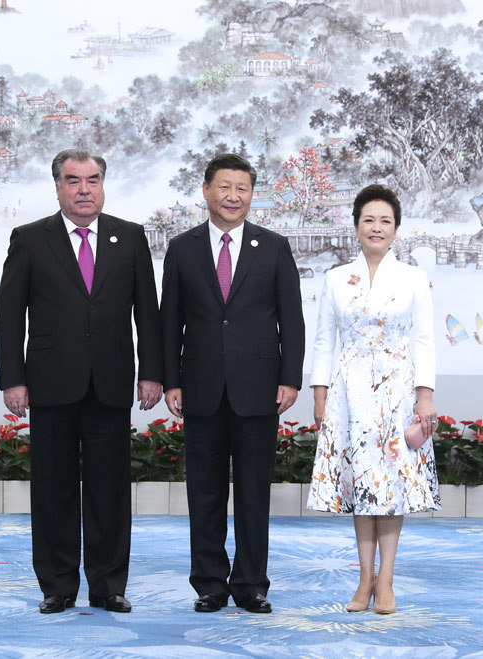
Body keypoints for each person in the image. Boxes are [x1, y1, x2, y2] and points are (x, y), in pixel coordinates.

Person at [0, 149, 162, 615]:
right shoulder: (30, 239)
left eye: (93, 180)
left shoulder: (128, 237)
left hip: (110, 382)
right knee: (53, 488)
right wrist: (14, 378)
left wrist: (151, 371)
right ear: (58, 188)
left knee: (109, 489)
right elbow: (9, 315)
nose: (84, 189)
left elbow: (147, 311)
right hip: (50, 382)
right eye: (73, 181)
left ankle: (108, 585)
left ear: (104, 186)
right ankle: (57, 585)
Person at [161, 153, 305, 614]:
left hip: (259, 389)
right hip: (199, 386)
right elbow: (170, 323)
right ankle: (209, 583)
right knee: (204, 492)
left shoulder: (275, 246)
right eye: (224, 187)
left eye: (242, 188)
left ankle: (250, 584)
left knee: (253, 493)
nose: (233, 196)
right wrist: (170, 380)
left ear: (251, 195)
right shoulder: (182, 249)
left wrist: (290, 378)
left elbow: (292, 321)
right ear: (206, 191)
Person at [306, 184, 440, 614]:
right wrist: (321, 395)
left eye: (385, 221)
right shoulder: (335, 279)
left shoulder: (414, 278)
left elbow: (424, 341)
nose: (376, 228)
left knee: (392, 487)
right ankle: (363, 582)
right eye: (369, 220)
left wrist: (425, 397)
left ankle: (386, 582)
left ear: (396, 229)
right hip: (350, 395)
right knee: (362, 487)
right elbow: (325, 341)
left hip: (398, 394)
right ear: (356, 227)